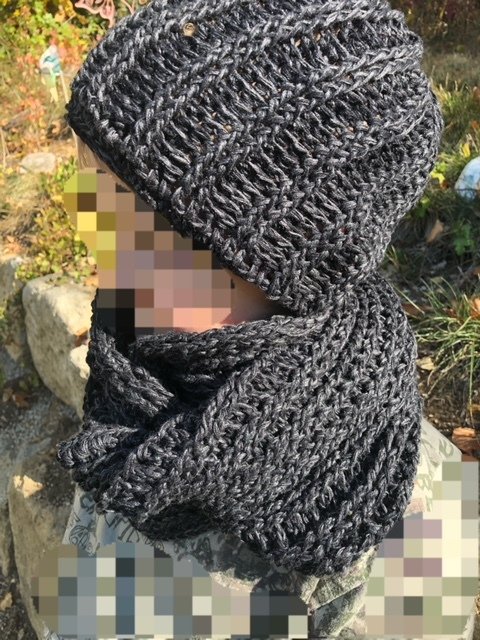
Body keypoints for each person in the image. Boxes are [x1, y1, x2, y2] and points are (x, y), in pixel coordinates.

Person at [51, 0, 450, 636]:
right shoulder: (139, 363)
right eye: (85, 193)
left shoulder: (409, 517)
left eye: (129, 228)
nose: (89, 239)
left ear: (282, 266)